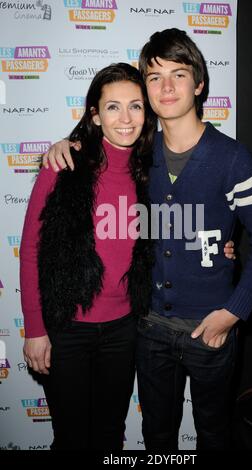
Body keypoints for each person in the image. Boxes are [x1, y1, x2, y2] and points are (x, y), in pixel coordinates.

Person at [42, 29, 252, 452]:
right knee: (157, 439)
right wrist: (65, 144)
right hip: (149, 329)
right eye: (154, 76)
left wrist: (233, 313)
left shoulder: (234, 159)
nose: (166, 87)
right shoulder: (142, 155)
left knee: (214, 435)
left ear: (199, 84)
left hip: (210, 330)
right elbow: (102, 150)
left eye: (179, 75)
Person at [20, 63, 157, 451]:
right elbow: (30, 249)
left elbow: (178, 228)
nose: (126, 118)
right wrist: (34, 329)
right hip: (67, 330)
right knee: (71, 438)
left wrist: (224, 248)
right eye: (113, 107)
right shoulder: (63, 166)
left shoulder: (153, 169)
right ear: (95, 114)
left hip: (125, 329)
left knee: (110, 435)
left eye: (136, 106)